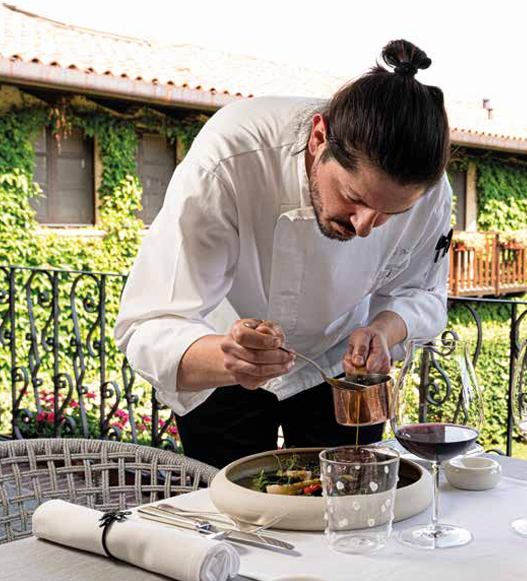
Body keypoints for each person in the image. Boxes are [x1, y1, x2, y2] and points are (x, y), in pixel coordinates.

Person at [115, 40, 452, 469]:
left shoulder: (431, 193)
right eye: (353, 197)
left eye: (391, 213)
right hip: (220, 356)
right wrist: (229, 356)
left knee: (346, 510)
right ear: (318, 138)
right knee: (232, 517)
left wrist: (384, 330)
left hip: (340, 369)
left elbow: (424, 292)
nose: (365, 226)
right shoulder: (230, 156)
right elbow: (148, 324)